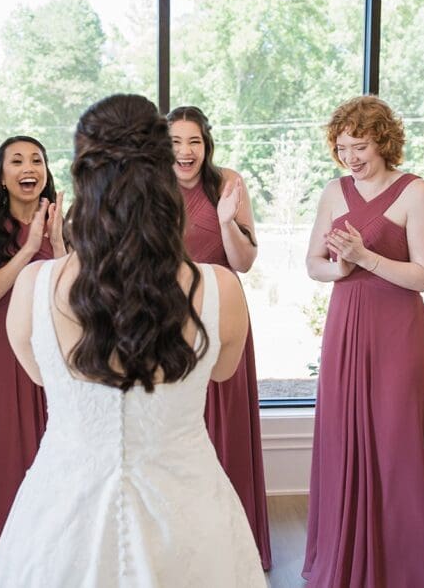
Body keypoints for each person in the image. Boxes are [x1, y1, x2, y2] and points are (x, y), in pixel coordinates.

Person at [0, 94, 265, 587]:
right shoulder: (221, 288)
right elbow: (222, 371)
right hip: (191, 516)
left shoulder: (33, 286)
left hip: (59, 517)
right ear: (163, 177)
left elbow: (41, 375)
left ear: (82, 178)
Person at [302, 95, 424, 587]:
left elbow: (423, 276)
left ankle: (403, 567)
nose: (350, 157)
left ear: (384, 142)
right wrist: (341, 267)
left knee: (396, 440)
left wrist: (366, 258)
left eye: (359, 146)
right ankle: (344, 556)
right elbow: (314, 264)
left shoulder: (416, 192)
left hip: (398, 331)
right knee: (343, 436)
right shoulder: (334, 191)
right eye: (342, 147)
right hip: (345, 327)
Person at [166, 105, 272, 569]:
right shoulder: (150, 187)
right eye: (175, 142)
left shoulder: (228, 182)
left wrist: (227, 220)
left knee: (224, 425)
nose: (185, 151)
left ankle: (231, 551)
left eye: (194, 141)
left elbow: (244, 263)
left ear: (206, 145)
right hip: (167, 320)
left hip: (223, 312)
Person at [0, 136, 65, 588]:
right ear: (2, 176)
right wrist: (28, 249)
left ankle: (57, 569)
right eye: (17, 160)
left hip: (55, 354)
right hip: (1, 358)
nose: (29, 167)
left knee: (58, 461)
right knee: (8, 461)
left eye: (37, 160)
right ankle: (9, 571)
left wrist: (57, 243)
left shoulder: (67, 223)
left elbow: (76, 295)